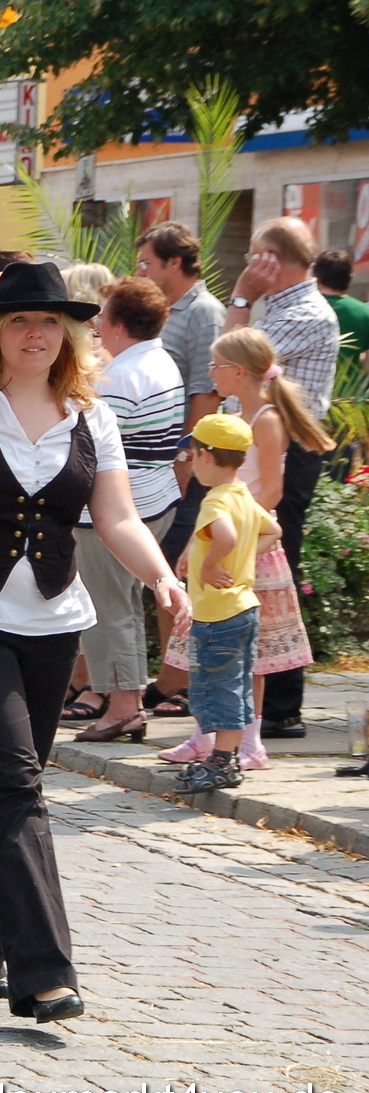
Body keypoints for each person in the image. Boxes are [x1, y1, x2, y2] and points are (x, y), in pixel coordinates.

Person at [0, 261, 188, 1023]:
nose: (36, 333)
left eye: (51, 322)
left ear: (71, 335)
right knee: (16, 780)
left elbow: (115, 518)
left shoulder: (93, 416)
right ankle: (44, 972)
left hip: (53, 621)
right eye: (21, 320)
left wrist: (162, 578)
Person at [160, 328, 330, 772]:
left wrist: (232, 527)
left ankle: (249, 740)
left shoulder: (267, 421)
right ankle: (206, 734)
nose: (211, 373)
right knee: (207, 643)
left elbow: (271, 490)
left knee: (249, 654)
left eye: (216, 366)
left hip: (250, 547)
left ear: (238, 371)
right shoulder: (232, 416)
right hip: (225, 537)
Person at [226, 218, 340, 740]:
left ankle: (281, 705)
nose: (251, 266)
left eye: (256, 256)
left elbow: (232, 359)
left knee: (275, 570)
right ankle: (264, 700)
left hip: (286, 454)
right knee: (262, 572)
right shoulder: (290, 307)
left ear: (273, 257)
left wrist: (242, 297)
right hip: (272, 446)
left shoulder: (305, 311)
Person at [65, 277, 185, 739]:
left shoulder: (120, 377)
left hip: (116, 508)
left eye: (100, 318)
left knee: (109, 606)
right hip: (155, 497)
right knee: (125, 604)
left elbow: (89, 443)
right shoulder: (161, 362)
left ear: (115, 323)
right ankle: (125, 698)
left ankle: (123, 705)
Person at [134, 222, 226, 716]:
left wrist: (186, 458)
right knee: (164, 572)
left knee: (174, 569)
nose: (141, 271)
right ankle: (172, 677)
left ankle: (181, 683)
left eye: (148, 262)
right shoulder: (169, 312)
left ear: (175, 262)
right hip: (163, 463)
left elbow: (206, 394)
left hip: (187, 462)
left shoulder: (204, 312)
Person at [169, 414, 281, 794]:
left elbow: (227, 536)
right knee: (235, 683)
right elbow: (273, 530)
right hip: (243, 608)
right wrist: (238, 558)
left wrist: (214, 562)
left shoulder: (215, 500)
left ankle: (223, 760)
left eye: (192, 454)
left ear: (204, 455)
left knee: (218, 686)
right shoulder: (243, 495)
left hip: (219, 613)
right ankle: (227, 755)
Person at [314, 247, 369, 375]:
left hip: (306, 391)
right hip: (348, 392)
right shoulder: (364, 314)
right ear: (349, 278)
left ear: (317, 277)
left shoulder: (303, 309)